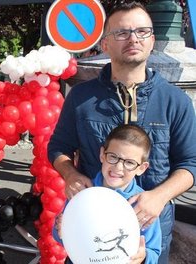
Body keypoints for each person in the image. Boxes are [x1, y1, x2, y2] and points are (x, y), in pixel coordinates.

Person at [47, 2, 196, 263]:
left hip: (152, 228)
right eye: (122, 32)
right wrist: (70, 174)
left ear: (152, 40)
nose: (133, 38)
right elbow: (58, 147)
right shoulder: (81, 97)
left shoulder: (175, 101)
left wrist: (159, 197)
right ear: (105, 44)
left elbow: (191, 163)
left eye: (142, 31)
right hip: (89, 228)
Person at [54, 124, 162, 264]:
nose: (118, 167)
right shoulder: (81, 194)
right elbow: (60, 236)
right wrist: (61, 231)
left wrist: (144, 257)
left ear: (141, 168)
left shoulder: (143, 204)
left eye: (129, 162)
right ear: (102, 155)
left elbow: (154, 251)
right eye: (113, 157)